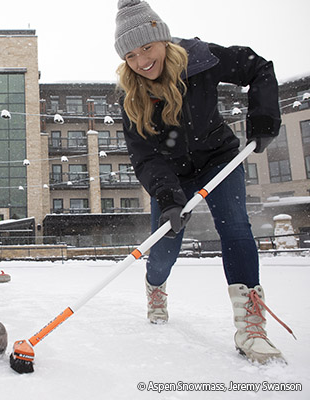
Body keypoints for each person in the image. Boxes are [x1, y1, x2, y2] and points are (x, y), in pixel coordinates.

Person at [114, 0, 294, 364]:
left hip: (218, 159)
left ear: (162, 38)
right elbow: (144, 155)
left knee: (236, 229)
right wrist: (167, 197)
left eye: (147, 47)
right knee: (165, 246)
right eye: (131, 55)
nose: (141, 61)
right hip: (169, 173)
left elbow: (259, 69)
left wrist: (262, 118)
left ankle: (251, 327)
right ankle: (155, 285)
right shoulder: (130, 95)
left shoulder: (202, 58)